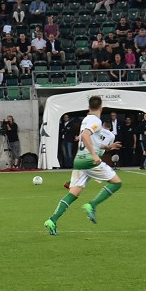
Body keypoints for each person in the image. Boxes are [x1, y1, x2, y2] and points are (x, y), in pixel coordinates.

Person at [44, 95, 123, 235]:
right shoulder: (95, 121)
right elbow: (86, 136)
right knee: (116, 183)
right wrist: (93, 155)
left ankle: (52, 220)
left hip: (79, 161)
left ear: (88, 108)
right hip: (89, 161)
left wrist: (109, 147)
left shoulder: (86, 120)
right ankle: (92, 205)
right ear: (102, 108)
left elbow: (92, 140)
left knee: (73, 194)